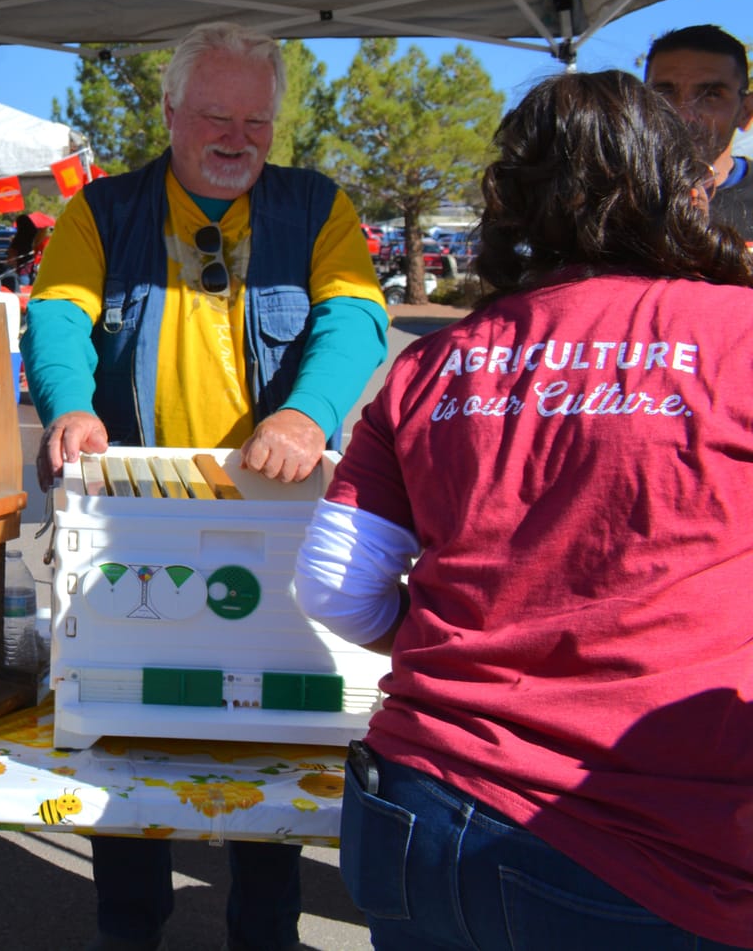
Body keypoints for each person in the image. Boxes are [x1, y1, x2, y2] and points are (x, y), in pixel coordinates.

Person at [296, 70, 753, 950]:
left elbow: (333, 588)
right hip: (640, 831)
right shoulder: (736, 334)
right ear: (672, 181)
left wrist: (472, 637)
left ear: (512, 199)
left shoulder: (435, 362)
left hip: (416, 805)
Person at [23, 22, 388, 951]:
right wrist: (68, 406)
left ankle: (264, 932)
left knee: (274, 731)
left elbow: (355, 321)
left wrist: (307, 415)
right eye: (216, 115)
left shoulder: (319, 208)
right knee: (125, 724)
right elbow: (57, 318)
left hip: (279, 515)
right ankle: (128, 928)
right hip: (135, 515)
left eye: (257, 120)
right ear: (171, 111)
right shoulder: (100, 211)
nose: (237, 138)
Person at [641, 23, 753, 241]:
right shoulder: (610, 202)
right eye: (665, 92)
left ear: (745, 111)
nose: (684, 115)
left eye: (711, 94)